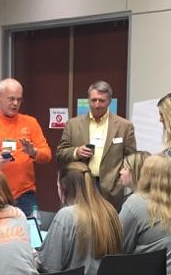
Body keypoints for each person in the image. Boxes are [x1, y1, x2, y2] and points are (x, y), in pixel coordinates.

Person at [37, 162, 123, 275]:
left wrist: (33, 257)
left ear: (63, 188)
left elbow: (49, 267)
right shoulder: (111, 212)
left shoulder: (67, 216)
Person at [0, 78, 51, 217]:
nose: (15, 104)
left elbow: (47, 155)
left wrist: (33, 152)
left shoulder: (30, 123)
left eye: (19, 100)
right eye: (11, 99)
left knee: (29, 235)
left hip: (25, 194)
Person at [56, 80, 136, 211]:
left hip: (111, 189)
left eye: (101, 100)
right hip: (80, 186)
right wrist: (76, 152)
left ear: (109, 101)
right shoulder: (73, 124)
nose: (97, 105)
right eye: (93, 100)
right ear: (88, 100)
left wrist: (119, 182)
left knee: (106, 229)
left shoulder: (124, 126)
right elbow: (60, 154)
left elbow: (131, 158)